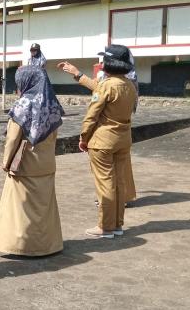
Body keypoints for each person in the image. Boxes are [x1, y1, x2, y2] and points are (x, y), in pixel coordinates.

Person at [0, 67, 64, 256]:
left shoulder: (23, 104)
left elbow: (12, 138)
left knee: (21, 210)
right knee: (45, 208)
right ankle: (48, 245)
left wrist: (6, 162)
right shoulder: (52, 103)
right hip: (46, 164)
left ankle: (22, 246)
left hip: (25, 164)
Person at [75, 44, 137, 239]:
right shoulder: (130, 85)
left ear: (110, 63)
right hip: (123, 139)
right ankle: (117, 224)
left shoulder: (106, 86)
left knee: (105, 184)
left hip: (103, 141)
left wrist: (84, 137)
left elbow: (91, 115)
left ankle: (105, 226)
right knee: (119, 183)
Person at [59, 58, 137, 204]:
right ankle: (120, 200)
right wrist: (77, 73)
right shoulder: (127, 83)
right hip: (123, 134)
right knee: (119, 172)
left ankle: (110, 203)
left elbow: (92, 112)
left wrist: (84, 137)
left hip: (106, 133)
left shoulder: (116, 81)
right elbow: (97, 86)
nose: (101, 65)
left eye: (104, 61)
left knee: (108, 176)